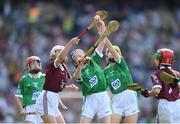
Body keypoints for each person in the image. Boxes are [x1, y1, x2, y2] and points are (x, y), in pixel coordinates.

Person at [71, 16, 112, 123]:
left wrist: (101, 25)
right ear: (75, 63)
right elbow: (76, 77)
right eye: (77, 57)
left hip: (103, 95)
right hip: (90, 99)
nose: (80, 56)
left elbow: (102, 42)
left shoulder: (94, 60)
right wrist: (80, 66)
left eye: (81, 54)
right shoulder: (78, 71)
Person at [35, 37, 80, 123]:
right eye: (59, 51)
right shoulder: (53, 64)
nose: (61, 53)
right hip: (46, 98)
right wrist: (71, 43)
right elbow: (60, 57)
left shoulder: (63, 68)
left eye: (62, 51)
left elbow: (55, 85)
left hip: (54, 100)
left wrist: (68, 87)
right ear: (53, 55)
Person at [103, 38, 139, 122]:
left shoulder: (121, 64)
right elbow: (102, 87)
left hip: (129, 95)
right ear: (106, 55)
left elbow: (111, 49)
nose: (112, 52)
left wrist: (104, 36)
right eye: (109, 52)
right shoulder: (105, 71)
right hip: (116, 98)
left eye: (116, 51)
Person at [141, 48, 180, 123]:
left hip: (165, 105)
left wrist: (148, 93)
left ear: (160, 59)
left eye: (157, 58)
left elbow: (156, 90)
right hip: (178, 104)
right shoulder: (177, 73)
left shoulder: (156, 73)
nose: (155, 60)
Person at [15, 56, 45, 123]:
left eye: (37, 63)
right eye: (33, 64)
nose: (36, 65)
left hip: (43, 109)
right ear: (28, 66)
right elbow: (17, 97)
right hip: (29, 110)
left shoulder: (45, 77)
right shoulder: (24, 79)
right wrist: (21, 109)